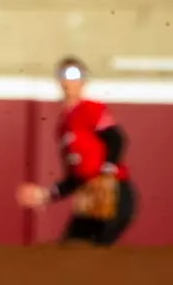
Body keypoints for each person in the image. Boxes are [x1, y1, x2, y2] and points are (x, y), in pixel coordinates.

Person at [16, 56, 136, 246]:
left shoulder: (89, 109)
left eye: (74, 74)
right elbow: (76, 178)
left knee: (92, 255)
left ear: (83, 81)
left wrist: (105, 173)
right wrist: (46, 195)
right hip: (89, 196)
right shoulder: (63, 125)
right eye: (63, 74)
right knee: (70, 251)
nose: (68, 81)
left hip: (113, 194)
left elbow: (116, 139)